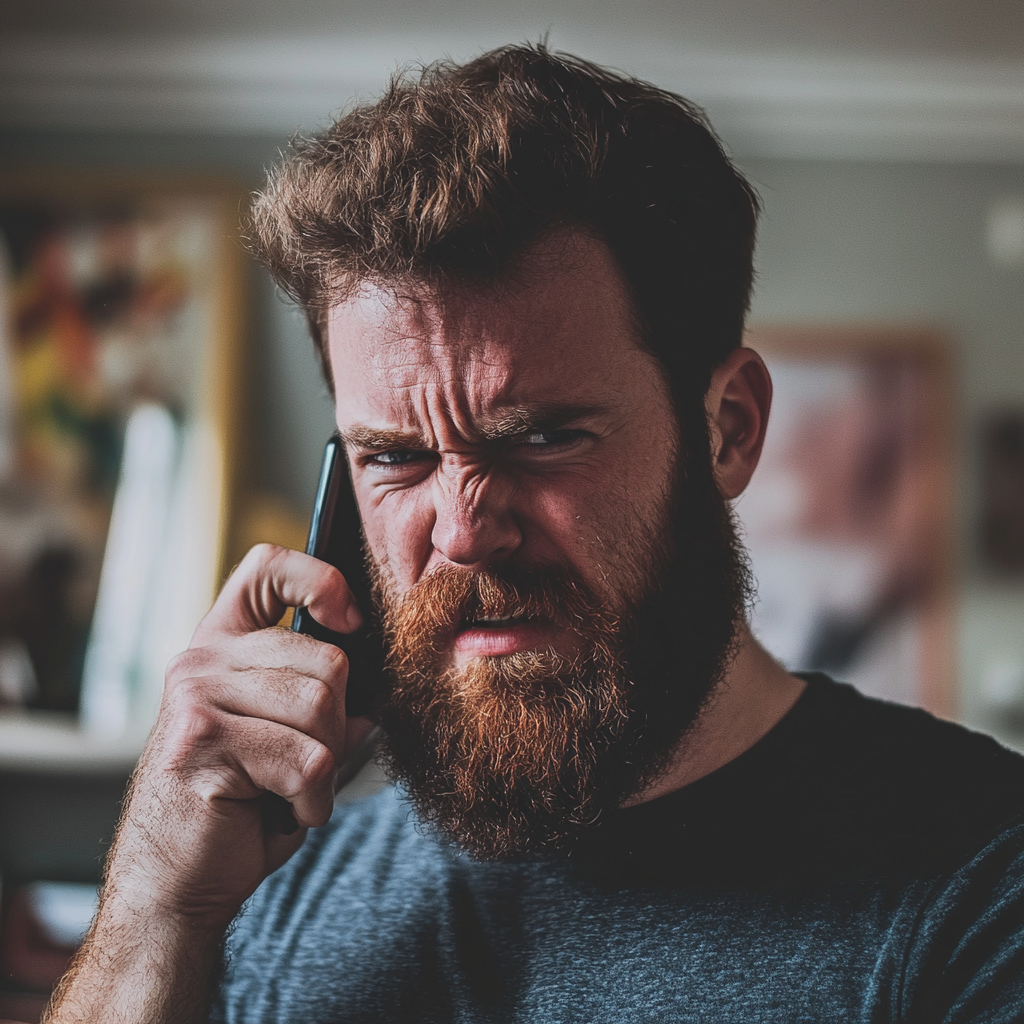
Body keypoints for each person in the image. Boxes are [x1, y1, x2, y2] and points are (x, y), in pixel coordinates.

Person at [44, 44, 1024, 1024]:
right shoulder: (267, 896)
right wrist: (150, 905)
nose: (464, 531)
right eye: (394, 457)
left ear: (728, 428)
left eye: (546, 438)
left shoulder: (983, 878)